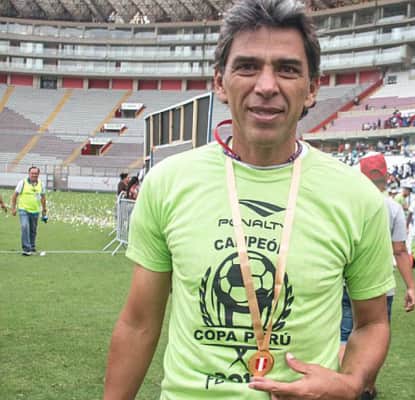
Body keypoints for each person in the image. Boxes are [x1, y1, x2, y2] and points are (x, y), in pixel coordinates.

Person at [103, 1, 395, 399]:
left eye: (287, 69)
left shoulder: (356, 196)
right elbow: (139, 324)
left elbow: (372, 323)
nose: (267, 86)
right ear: (220, 83)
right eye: (247, 67)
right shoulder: (168, 183)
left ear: (312, 89)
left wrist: (350, 382)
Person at [339, 152, 415, 400]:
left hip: (344, 280)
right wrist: (411, 286)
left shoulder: (346, 202)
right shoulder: (393, 207)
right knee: (372, 332)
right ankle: (366, 387)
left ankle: (342, 385)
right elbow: (400, 250)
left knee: (344, 335)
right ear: (387, 177)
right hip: (379, 284)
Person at [11, 166, 47, 256]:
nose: (34, 175)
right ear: (29, 173)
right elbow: (14, 196)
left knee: (33, 230)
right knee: (24, 226)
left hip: (35, 211)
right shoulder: (22, 183)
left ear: (38, 174)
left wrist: (44, 210)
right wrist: (13, 208)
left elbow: (43, 197)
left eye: (36, 173)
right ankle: (26, 249)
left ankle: (32, 247)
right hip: (23, 210)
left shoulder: (41, 184)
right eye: (32, 173)